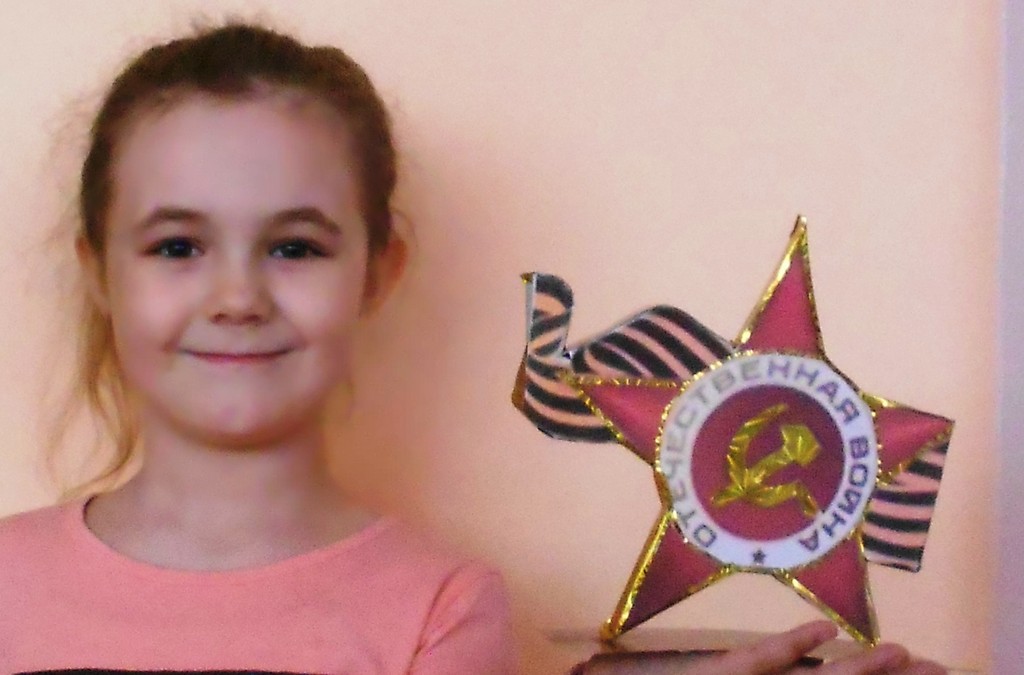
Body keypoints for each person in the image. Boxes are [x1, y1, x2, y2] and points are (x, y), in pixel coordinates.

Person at [0, 21, 945, 675]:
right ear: (98, 270)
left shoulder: (442, 607)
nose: (237, 297)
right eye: (177, 247)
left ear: (377, 272)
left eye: (295, 247)